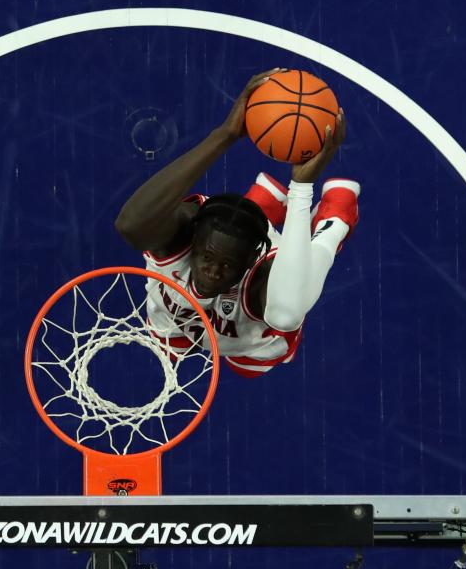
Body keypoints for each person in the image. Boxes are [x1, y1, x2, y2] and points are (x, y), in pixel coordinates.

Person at [115, 69, 361, 378]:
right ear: (193, 240)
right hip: (178, 321)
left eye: (228, 265)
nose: (213, 272)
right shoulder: (181, 239)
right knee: (230, 233)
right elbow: (130, 224)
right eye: (206, 257)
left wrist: (302, 188)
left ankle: (334, 222)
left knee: (254, 356)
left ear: (250, 261)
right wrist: (224, 135)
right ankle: (261, 206)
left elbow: (285, 315)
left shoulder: (262, 279)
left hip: (248, 339)